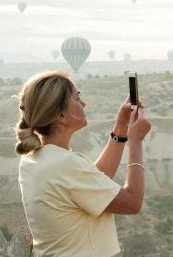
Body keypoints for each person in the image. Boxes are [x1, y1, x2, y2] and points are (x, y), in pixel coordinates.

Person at [15, 71, 151, 256]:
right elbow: (132, 203)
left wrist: (121, 128)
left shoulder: (35, 158)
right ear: (61, 116)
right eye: (77, 99)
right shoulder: (65, 164)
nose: (84, 104)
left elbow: (92, 182)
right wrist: (136, 141)